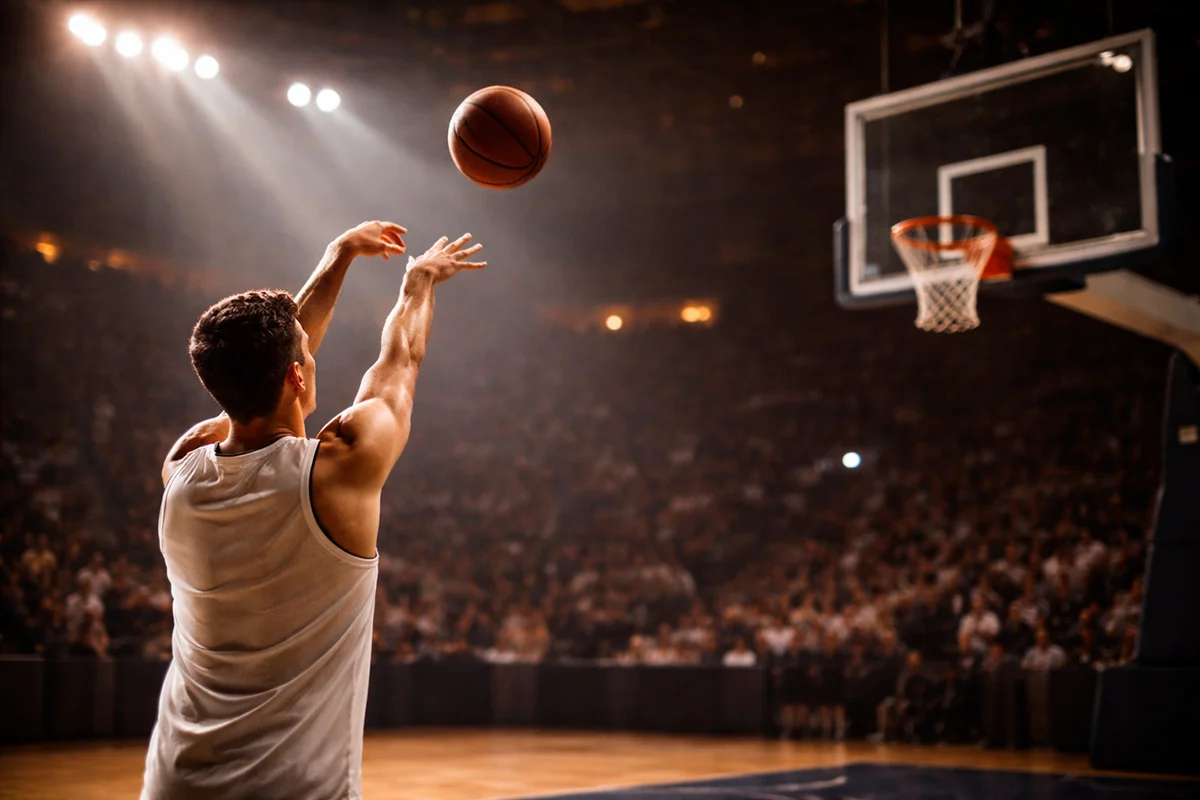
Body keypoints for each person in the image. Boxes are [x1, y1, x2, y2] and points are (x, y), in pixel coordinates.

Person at [141, 222, 485, 800]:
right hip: (293, 789)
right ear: (299, 374)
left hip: (175, 780)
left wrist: (339, 254)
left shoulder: (181, 468)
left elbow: (260, 370)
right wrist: (417, 283)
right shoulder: (339, 467)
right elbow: (400, 360)